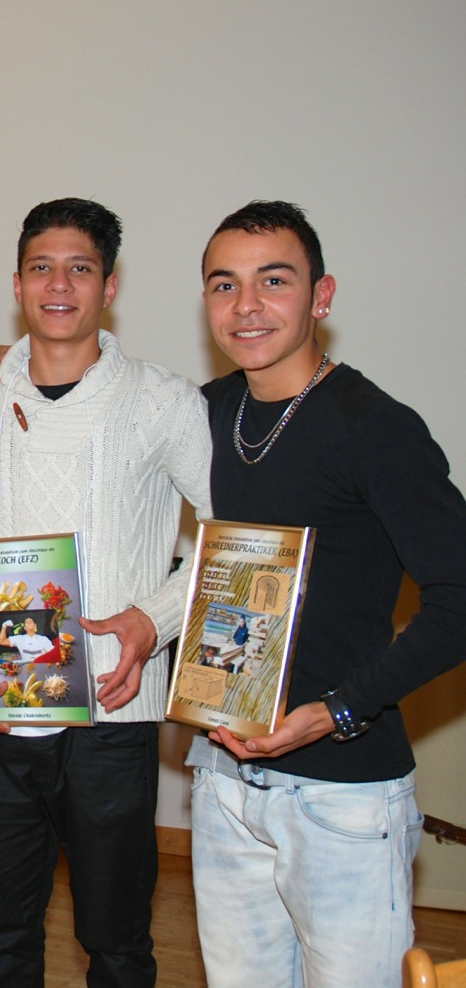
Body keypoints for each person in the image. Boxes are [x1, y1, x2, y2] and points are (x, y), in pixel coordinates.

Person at [0, 198, 212, 988]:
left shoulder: (166, 401)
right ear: (17, 284)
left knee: (117, 941)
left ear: (109, 286)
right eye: (41, 267)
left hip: (115, 712)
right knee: (1, 935)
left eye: (80, 268)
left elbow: (229, 541)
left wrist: (154, 619)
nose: (59, 284)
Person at [184, 201, 466, 988]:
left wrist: (336, 711)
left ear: (322, 295)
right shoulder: (206, 412)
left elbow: (459, 599)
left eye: (273, 281)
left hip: (343, 796)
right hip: (224, 781)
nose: (247, 305)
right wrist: (13, 361)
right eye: (225, 284)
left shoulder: (373, 426)